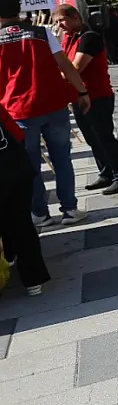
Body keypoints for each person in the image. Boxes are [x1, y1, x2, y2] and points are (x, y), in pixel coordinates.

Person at [0, 0, 90, 229]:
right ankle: (69, 209)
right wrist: (82, 91)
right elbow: (66, 66)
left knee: (30, 166)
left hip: (18, 111)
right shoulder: (41, 33)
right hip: (53, 105)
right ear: (18, 7)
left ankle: (40, 214)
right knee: (62, 159)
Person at [55, 5, 118, 194]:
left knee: (104, 137)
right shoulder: (69, 38)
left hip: (97, 96)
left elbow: (74, 68)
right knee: (92, 138)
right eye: (56, 22)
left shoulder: (89, 38)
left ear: (75, 17)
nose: (59, 25)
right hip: (79, 97)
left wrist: (54, 74)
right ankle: (106, 172)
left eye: (61, 20)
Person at [0, 100, 51, 296]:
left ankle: (11, 258)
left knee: (11, 220)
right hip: (14, 165)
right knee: (21, 221)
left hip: (11, 167)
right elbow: (17, 133)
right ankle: (33, 279)